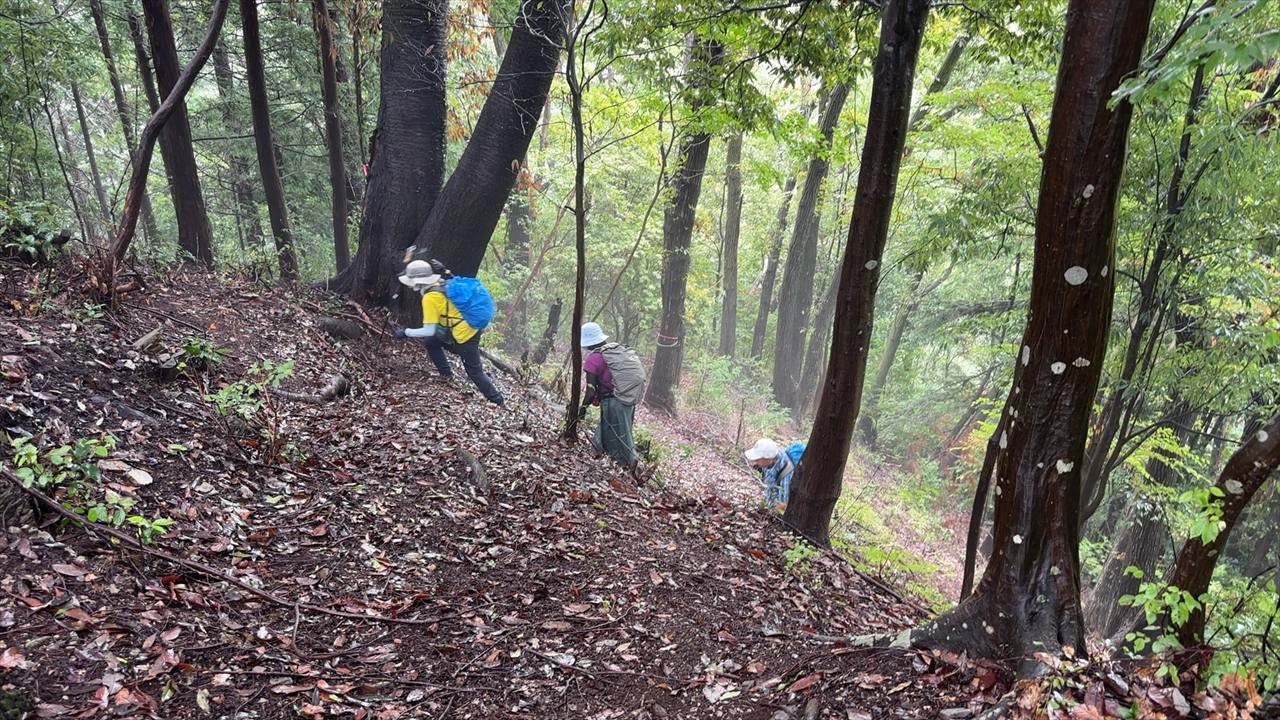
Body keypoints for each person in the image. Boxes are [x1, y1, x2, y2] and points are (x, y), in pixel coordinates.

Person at [393, 259, 504, 406]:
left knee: (474, 372)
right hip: (462, 327)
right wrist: (446, 270)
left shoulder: (430, 298)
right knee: (431, 342)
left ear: (417, 282)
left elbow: (429, 330)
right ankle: (446, 375)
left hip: (465, 334)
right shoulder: (441, 283)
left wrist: (405, 332)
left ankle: (497, 400)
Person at [577, 322, 645, 472]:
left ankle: (631, 470)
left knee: (620, 440)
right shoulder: (616, 351)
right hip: (627, 400)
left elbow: (590, 391)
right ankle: (607, 467)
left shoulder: (594, 359)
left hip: (613, 402)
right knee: (615, 436)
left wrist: (582, 410)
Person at [744, 438, 796, 506]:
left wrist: (771, 510)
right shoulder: (768, 462)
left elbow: (783, 504)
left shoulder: (786, 473)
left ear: (769, 458)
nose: (754, 461)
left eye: (757, 459)